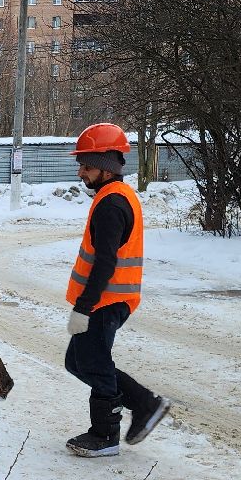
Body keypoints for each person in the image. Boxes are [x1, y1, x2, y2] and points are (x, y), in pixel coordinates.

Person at [63, 123, 171, 458]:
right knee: (77, 362)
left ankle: (105, 434)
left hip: (106, 301)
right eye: (81, 164)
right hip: (108, 300)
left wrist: (84, 306)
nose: (81, 172)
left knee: (93, 364)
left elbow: (105, 264)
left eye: (87, 165)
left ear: (107, 166)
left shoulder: (111, 205)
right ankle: (144, 403)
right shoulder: (115, 197)